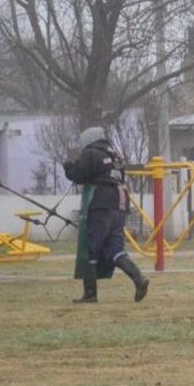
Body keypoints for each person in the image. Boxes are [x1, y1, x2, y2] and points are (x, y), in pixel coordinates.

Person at [62, 126, 149, 304]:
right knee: (115, 249)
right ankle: (138, 279)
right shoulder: (115, 155)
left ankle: (90, 294)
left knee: (91, 248)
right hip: (120, 203)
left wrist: (68, 166)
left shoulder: (91, 153)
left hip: (101, 203)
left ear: (87, 141)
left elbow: (79, 175)